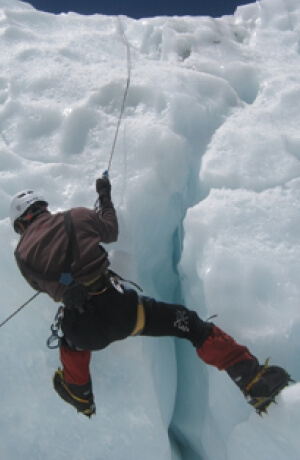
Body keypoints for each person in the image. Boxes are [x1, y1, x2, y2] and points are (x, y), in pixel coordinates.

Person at [10, 179, 291, 418]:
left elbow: (40, 285)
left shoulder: (21, 255)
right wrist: (104, 197)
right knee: (190, 325)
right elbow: (111, 229)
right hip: (124, 312)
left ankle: (78, 392)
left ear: (21, 224)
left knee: (69, 340)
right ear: (43, 208)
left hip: (83, 330)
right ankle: (251, 379)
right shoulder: (77, 216)